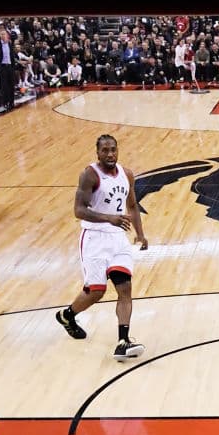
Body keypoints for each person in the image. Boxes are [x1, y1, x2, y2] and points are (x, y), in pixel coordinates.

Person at [56, 134, 148, 361]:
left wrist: (141, 234)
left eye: (113, 150)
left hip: (118, 238)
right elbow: (79, 210)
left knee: (124, 287)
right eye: (105, 150)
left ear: (118, 151)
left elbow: (133, 205)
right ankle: (68, 315)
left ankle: (123, 341)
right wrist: (109, 218)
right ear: (97, 153)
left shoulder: (127, 174)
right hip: (94, 238)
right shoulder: (90, 175)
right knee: (97, 291)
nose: (110, 154)